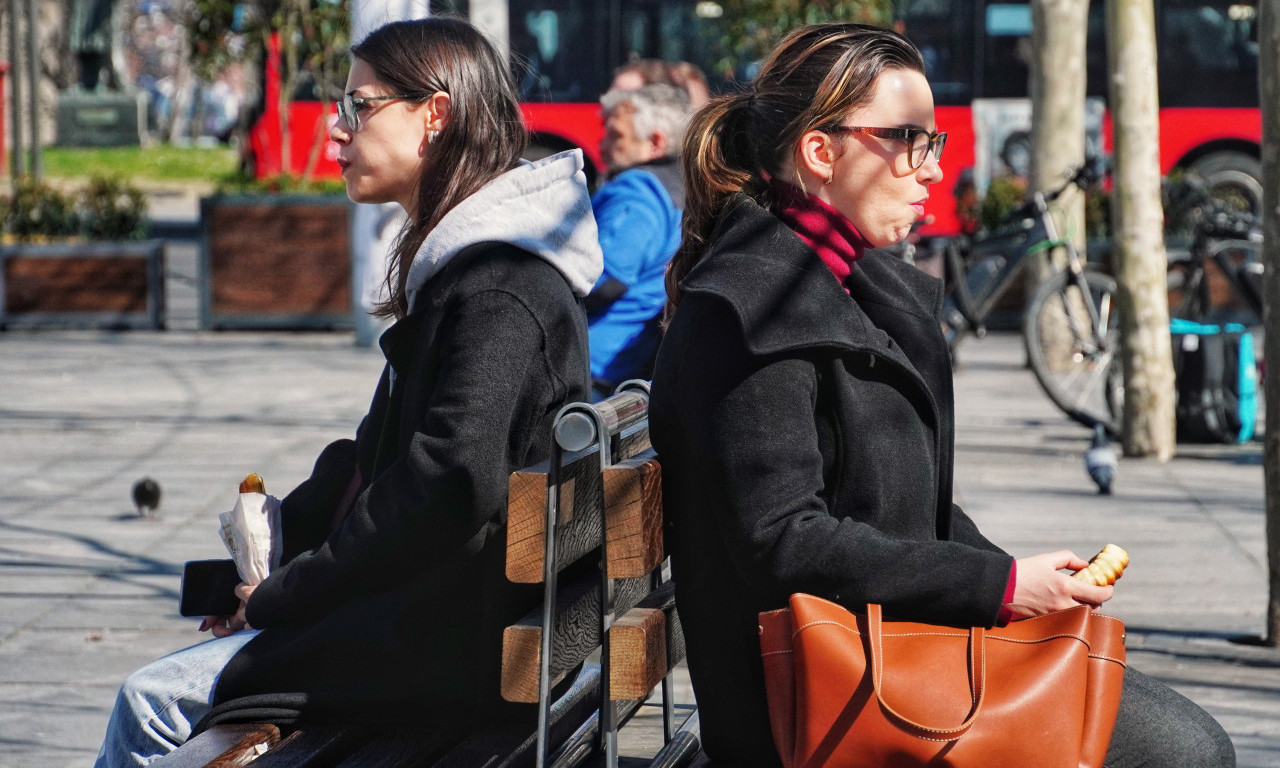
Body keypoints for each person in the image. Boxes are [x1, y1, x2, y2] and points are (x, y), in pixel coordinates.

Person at [649, 22, 1235, 768]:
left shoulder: (835, 280)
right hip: (821, 698)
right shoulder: (748, 310)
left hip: (889, 649)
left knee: (1177, 738)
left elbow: (904, 501)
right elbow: (783, 541)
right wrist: (997, 586)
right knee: (1186, 753)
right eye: (908, 140)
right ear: (820, 152)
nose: (932, 169)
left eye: (936, 142)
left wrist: (1022, 581)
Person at [94, 17, 602, 766]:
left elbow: (445, 483)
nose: (337, 131)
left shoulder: (498, 287)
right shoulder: (471, 271)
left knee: (153, 702)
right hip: (452, 622)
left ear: (436, 114)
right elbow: (378, 459)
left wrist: (282, 598)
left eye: (358, 107)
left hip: (446, 648)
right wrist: (268, 564)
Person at [586, 84, 692, 397]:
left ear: (655, 142)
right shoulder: (681, 187)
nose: (603, 145)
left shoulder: (638, 191)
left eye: (615, 135)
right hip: (629, 364)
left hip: (593, 367)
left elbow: (606, 280)